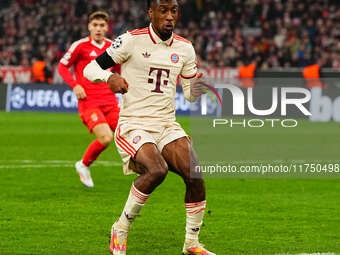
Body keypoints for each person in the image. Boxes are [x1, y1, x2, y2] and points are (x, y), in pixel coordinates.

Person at [84, 1, 215, 254]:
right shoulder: (131, 40)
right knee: (156, 170)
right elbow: (91, 67)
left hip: (166, 124)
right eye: (163, 11)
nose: (169, 17)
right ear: (150, 13)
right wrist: (108, 76)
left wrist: (196, 88)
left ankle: (191, 243)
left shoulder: (185, 48)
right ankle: (120, 228)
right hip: (134, 122)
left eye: (173, 11)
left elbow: (188, 94)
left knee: (195, 174)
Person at [58, 11, 120, 188]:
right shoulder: (80, 46)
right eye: (95, 25)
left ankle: (134, 165)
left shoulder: (113, 47)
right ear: (89, 27)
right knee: (106, 138)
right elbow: (62, 66)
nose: (98, 29)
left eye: (102, 26)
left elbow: (121, 69)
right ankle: (83, 165)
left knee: (128, 133)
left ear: (107, 27)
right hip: (89, 102)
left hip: (110, 101)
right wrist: (75, 85)